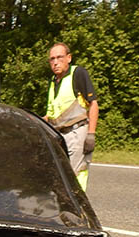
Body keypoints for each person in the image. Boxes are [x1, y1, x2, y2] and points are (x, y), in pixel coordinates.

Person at [45, 43, 98, 191]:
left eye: (59, 57)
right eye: (52, 59)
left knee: (74, 175)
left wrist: (91, 134)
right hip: (59, 135)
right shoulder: (53, 81)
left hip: (76, 133)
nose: (55, 62)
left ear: (69, 58)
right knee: (59, 175)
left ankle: (78, 209)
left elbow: (93, 104)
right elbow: (52, 115)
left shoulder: (78, 73)